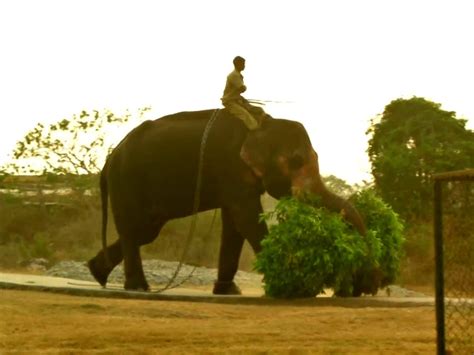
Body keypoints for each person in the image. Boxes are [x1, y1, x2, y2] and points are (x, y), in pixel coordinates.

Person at [221, 56, 269, 130]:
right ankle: (254, 130)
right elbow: (242, 88)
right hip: (230, 102)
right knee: (246, 116)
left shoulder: (238, 75)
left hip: (237, 100)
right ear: (238, 64)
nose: (244, 66)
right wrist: (244, 87)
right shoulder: (234, 75)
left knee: (258, 109)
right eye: (243, 64)